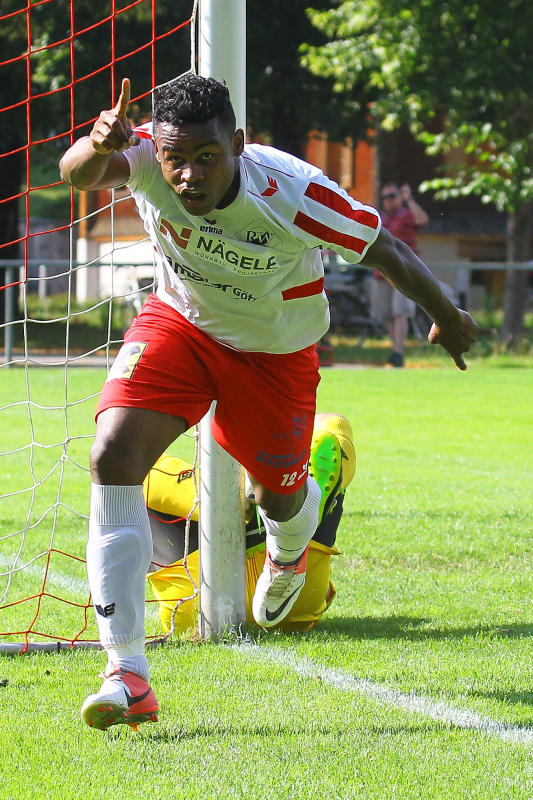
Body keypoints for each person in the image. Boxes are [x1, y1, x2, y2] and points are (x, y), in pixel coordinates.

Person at [59, 74, 477, 732]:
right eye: (175, 158)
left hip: (274, 354)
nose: (189, 175)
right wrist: (94, 143)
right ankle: (127, 673)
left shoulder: (294, 193)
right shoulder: (141, 154)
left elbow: (386, 249)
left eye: (206, 156)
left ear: (238, 145)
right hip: (181, 324)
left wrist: (445, 316)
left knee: (276, 496)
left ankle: (288, 547)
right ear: (156, 149)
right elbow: (78, 173)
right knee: (112, 453)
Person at [146, 413, 356, 634]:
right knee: (333, 425)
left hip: (194, 608)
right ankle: (297, 502)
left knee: (132, 464)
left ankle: (232, 498)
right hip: (298, 601)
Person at [371, 182, 430, 367]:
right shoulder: (380, 217)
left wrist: (409, 199)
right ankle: (395, 351)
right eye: (385, 197)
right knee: (388, 314)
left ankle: (399, 352)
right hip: (382, 272)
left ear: (399, 197)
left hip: (404, 272)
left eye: (392, 196)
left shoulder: (406, 214)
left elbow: (423, 220)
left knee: (400, 312)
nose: (388, 200)